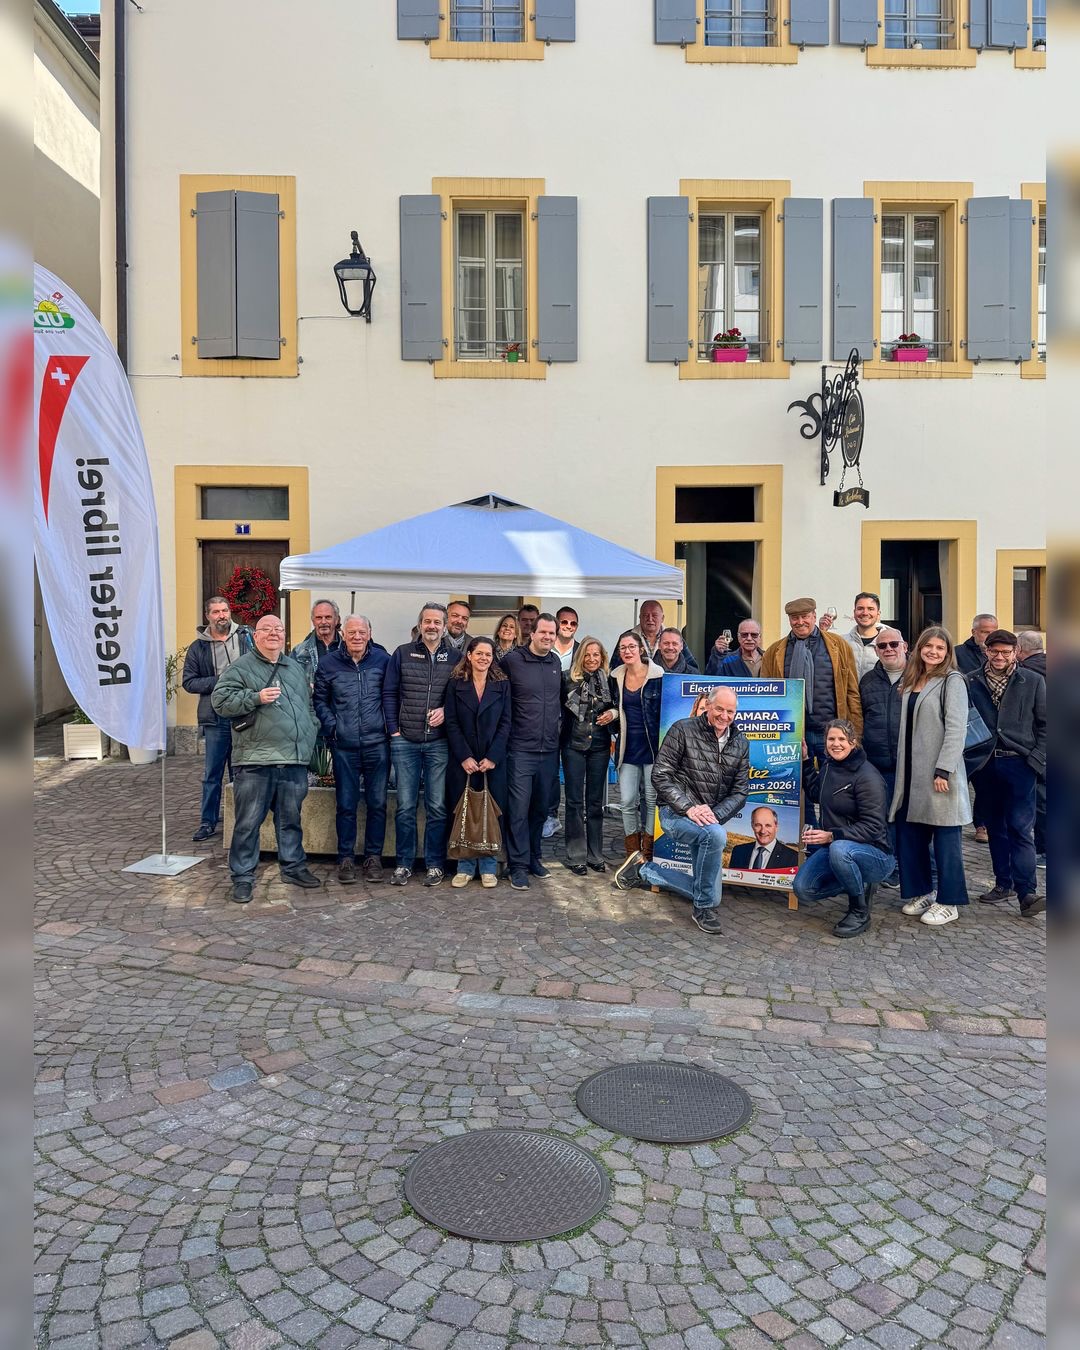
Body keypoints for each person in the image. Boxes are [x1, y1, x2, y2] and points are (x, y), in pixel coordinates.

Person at [614, 686, 749, 936]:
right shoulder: (682, 729)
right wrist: (689, 808)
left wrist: (713, 816)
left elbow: (741, 792)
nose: (724, 715)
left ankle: (644, 870)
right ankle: (702, 909)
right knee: (717, 838)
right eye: (719, 708)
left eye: (730, 711)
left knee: (712, 889)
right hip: (674, 814)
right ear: (707, 705)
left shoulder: (740, 742)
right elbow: (660, 775)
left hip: (708, 821)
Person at [210, 614, 321, 903]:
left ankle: (293, 866)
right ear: (256, 636)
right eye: (266, 629)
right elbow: (220, 702)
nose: (273, 633)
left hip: (293, 759)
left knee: (291, 819)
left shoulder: (294, 667)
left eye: (279, 629)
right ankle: (243, 876)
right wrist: (256, 697)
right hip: (255, 760)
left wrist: (310, 731)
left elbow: (306, 707)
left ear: (284, 636)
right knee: (248, 823)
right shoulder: (241, 667)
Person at [889, 626, 971, 928]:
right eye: (929, 646)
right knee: (910, 834)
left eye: (940, 648)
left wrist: (943, 769)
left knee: (946, 837)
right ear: (919, 649)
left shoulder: (953, 681)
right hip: (910, 774)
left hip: (939, 773)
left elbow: (956, 728)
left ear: (948, 652)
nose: (933, 652)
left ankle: (950, 901)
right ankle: (921, 891)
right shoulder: (912, 681)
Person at [967, 630, 1046, 916]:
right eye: (994, 651)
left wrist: (1036, 760)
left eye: (1006, 652)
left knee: (1020, 828)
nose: (999, 657)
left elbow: (1047, 724)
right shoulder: (971, 681)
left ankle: (1028, 893)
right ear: (986, 651)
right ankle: (1004, 884)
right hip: (985, 766)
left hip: (1020, 763)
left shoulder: (1033, 681)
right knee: (995, 828)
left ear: (1015, 652)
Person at [794, 720, 894, 937]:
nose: (836, 744)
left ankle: (859, 911)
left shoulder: (868, 776)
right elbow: (815, 793)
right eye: (831, 739)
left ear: (853, 743)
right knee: (803, 889)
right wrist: (805, 761)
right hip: (837, 849)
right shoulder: (830, 766)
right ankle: (857, 881)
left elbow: (874, 827)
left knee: (840, 849)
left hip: (874, 853)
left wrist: (832, 835)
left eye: (841, 739)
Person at [382, 602, 456, 887]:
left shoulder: (456, 656)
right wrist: (393, 731)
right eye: (427, 621)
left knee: (437, 806)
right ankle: (403, 864)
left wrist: (447, 712)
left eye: (437, 622)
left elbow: (460, 696)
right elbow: (389, 692)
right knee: (405, 806)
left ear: (445, 626)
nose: (432, 626)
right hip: (405, 741)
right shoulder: (402, 653)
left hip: (438, 743)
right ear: (420, 624)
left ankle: (435, 864)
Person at [313, 614, 390, 886]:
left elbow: (391, 696)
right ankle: (345, 857)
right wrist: (333, 727)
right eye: (351, 632)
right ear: (342, 633)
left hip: (377, 744)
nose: (357, 637)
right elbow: (320, 700)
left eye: (362, 632)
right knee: (345, 804)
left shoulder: (383, 660)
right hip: (344, 745)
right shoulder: (328, 663)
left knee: (377, 804)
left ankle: (373, 858)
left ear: (370, 633)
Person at [761, 598, 862, 784]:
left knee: (834, 786)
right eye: (794, 618)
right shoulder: (774, 652)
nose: (800, 622)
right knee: (797, 788)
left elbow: (851, 692)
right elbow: (767, 695)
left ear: (814, 616)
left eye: (805, 616)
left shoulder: (839, 646)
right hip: (793, 734)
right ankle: (806, 815)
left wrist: (855, 733)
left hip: (831, 730)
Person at [182, 595, 253, 841]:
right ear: (208, 616)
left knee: (241, 772)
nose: (221, 615)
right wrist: (220, 680)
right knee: (212, 774)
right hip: (215, 718)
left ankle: (240, 822)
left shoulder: (246, 637)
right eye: (216, 612)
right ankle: (207, 822)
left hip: (244, 715)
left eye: (225, 610)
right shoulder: (198, 647)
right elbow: (189, 682)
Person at [501, 614, 563, 889]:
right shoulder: (512, 661)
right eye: (544, 633)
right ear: (532, 633)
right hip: (520, 750)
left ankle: (535, 857)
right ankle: (517, 865)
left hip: (549, 749)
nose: (548, 637)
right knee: (518, 810)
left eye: (552, 634)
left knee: (540, 809)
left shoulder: (555, 662)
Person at [444, 636, 511, 889]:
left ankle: (489, 866)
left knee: (491, 814)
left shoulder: (502, 684)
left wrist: (493, 756)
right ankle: (464, 866)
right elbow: (450, 721)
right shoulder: (456, 684)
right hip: (464, 760)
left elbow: (506, 722)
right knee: (464, 813)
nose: (484, 658)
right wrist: (464, 756)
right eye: (479, 654)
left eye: (488, 655)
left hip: (492, 761)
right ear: (469, 655)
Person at [561, 637, 616, 875]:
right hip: (573, 744)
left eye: (596, 655)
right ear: (580, 656)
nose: (592, 659)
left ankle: (595, 854)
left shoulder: (610, 680)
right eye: (588, 654)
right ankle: (576, 855)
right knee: (574, 801)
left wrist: (612, 712)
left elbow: (620, 705)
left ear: (602, 657)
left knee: (595, 803)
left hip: (600, 745)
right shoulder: (566, 679)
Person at [858, 627, 907, 888]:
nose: (888, 649)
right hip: (877, 763)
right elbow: (860, 718)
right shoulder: (868, 681)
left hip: (911, 764)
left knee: (912, 821)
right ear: (876, 650)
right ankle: (889, 867)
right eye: (882, 646)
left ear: (905, 646)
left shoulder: (919, 677)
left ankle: (919, 871)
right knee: (883, 818)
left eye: (893, 644)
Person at [610, 630, 664, 862]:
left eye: (631, 647)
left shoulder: (658, 675)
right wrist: (611, 714)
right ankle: (632, 852)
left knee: (651, 801)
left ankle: (649, 852)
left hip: (653, 749)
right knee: (627, 801)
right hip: (627, 748)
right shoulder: (616, 676)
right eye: (623, 648)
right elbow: (615, 706)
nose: (627, 651)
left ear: (641, 649)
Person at [1017, 631, 1047, 867]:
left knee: (1042, 799)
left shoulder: (1028, 675)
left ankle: (1044, 849)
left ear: (1020, 649)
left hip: (1039, 742)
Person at [611, 600, 697, 670]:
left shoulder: (674, 638)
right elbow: (614, 668)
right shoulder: (627, 638)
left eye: (654, 615)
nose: (650, 619)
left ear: (662, 618)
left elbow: (692, 668)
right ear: (640, 617)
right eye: (646, 615)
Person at [729, 806, 799, 870]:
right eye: (758, 825)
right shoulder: (738, 851)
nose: (763, 831)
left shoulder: (793, 857)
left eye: (768, 825)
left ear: (776, 827)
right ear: (752, 826)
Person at [292, 598, 343, 688]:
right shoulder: (298, 652)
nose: (323, 622)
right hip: (311, 701)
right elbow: (291, 683)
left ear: (336, 620)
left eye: (328, 617)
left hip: (341, 701)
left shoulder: (349, 649)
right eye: (319, 618)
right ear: (313, 621)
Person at [842, 592, 886, 679]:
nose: (865, 613)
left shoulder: (890, 644)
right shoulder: (842, 642)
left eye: (870, 609)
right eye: (860, 608)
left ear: (878, 613)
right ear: (854, 612)